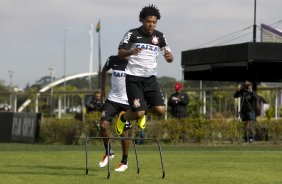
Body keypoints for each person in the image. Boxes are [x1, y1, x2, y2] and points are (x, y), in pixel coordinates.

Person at [116, 5, 173, 136]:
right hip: (133, 78)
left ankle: (143, 111)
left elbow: (169, 57)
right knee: (138, 113)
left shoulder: (160, 37)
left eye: (154, 22)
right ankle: (123, 118)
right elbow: (120, 53)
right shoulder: (132, 34)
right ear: (142, 20)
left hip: (150, 79)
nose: (151, 25)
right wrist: (130, 52)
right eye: (148, 21)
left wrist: (169, 57)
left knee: (160, 111)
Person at [98, 55, 132, 172]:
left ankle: (124, 161)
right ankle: (109, 152)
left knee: (123, 132)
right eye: (121, 49)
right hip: (112, 100)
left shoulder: (134, 62)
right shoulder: (112, 59)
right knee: (103, 125)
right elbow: (104, 70)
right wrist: (103, 89)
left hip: (127, 102)